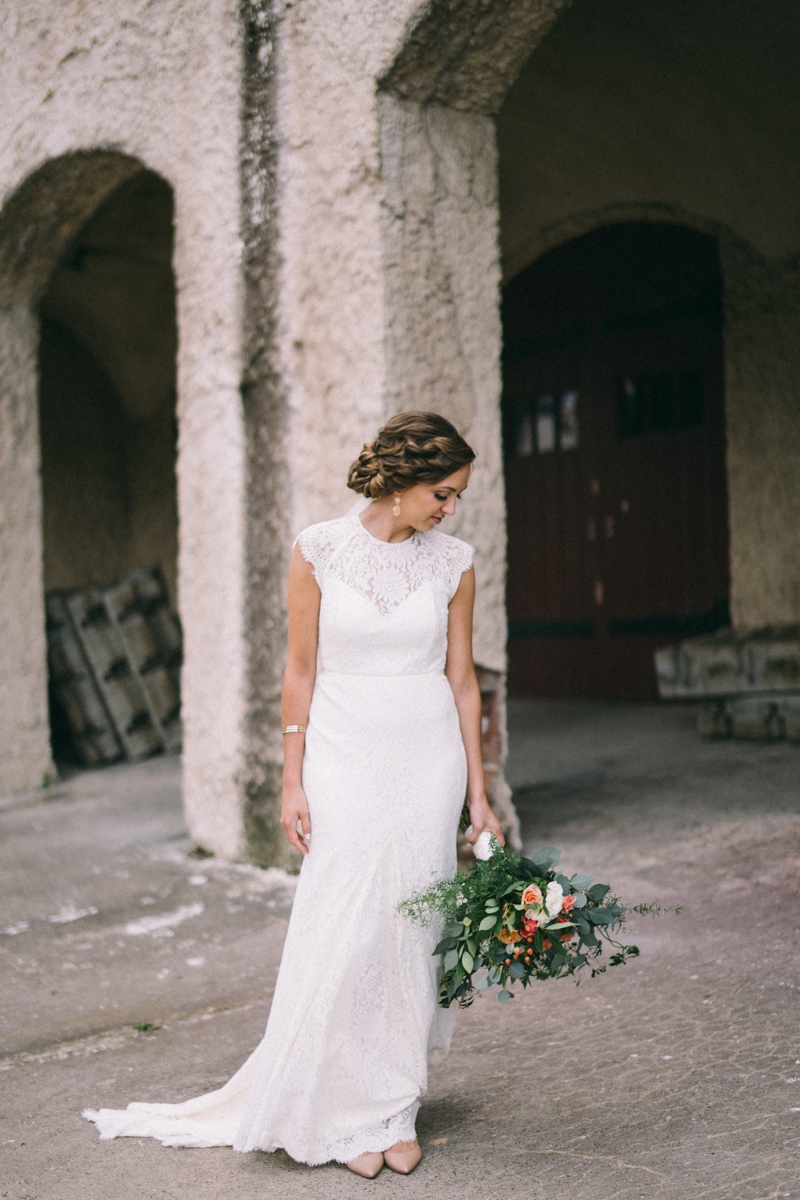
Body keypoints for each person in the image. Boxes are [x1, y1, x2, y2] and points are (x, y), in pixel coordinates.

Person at [84, 410, 504, 1178]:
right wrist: (291, 779)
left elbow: (464, 680)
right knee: (344, 924)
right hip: (342, 758)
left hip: (426, 756)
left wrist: (478, 794)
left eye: (456, 496)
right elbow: (300, 672)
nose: (450, 509)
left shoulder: (456, 563)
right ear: (402, 482)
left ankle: (391, 1103)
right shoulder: (318, 550)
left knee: (412, 927)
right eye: (442, 493)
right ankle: (337, 1108)